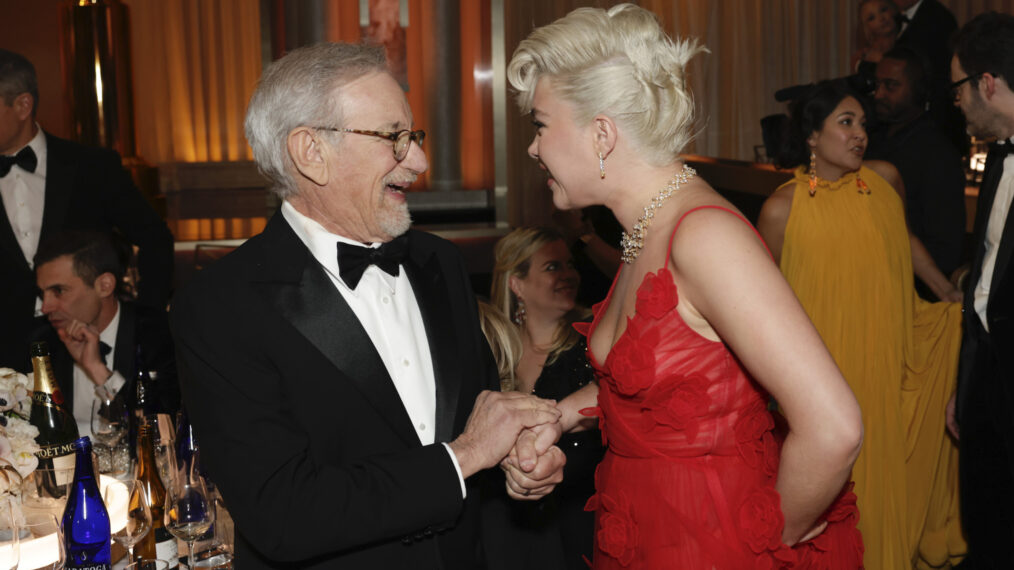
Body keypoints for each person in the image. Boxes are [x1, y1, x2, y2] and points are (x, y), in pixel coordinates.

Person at [170, 42, 565, 569]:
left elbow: (478, 425)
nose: (420, 161)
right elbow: (284, 515)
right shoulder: (220, 306)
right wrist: (466, 456)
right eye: (394, 139)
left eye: (414, 136)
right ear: (311, 152)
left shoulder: (438, 263)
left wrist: (518, 462)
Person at [506, 5, 864, 568]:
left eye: (540, 125)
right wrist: (559, 414)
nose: (533, 147)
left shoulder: (704, 237)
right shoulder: (645, 227)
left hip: (708, 543)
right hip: (642, 529)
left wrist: (768, 542)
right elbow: (667, 388)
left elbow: (835, 426)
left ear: (601, 133)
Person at [759, 80, 964, 569]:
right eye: (845, 123)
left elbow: (905, 239)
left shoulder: (885, 179)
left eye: (863, 124)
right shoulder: (781, 209)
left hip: (889, 353)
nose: (859, 135)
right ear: (812, 135)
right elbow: (762, 302)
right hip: (828, 373)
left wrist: (947, 291)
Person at [0, 49, 174, 373]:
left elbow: (156, 240)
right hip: (5, 360)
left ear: (23, 105)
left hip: (92, 350)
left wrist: (142, 322)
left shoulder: (91, 167)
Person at [484, 227, 603, 570]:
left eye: (570, 265)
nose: (568, 275)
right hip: (510, 528)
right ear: (516, 284)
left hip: (582, 521)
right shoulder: (493, 349)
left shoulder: (594, 341)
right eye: (553, 267)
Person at [948, 12, 1014, 568]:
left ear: (986, 84)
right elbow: (985, 282)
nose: (957, 102)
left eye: (959, 88)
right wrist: (964, 386)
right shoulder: (996, 157)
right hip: (988, 382)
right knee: (988, 533)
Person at [31, 230, 178, 438]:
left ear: (105, 285)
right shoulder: (41, 342)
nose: (45, 307)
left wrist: (97, 370)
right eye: (42, 293)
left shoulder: (158, 335)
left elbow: (165, 435)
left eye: (59, 291)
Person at [867, 46, 967, 295]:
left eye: (891, 86)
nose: (879, 94)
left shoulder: (937, 153)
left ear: (919, 90)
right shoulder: (871, 140)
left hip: (909, 291)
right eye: (877, 84)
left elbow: (944, 249)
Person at [852, 0, 900, 75]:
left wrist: (882, 60)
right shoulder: (863, 57)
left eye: (883, 10)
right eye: (872, 18)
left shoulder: (909, 41)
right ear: (866, 27)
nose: (881, 19)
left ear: (892, 9)